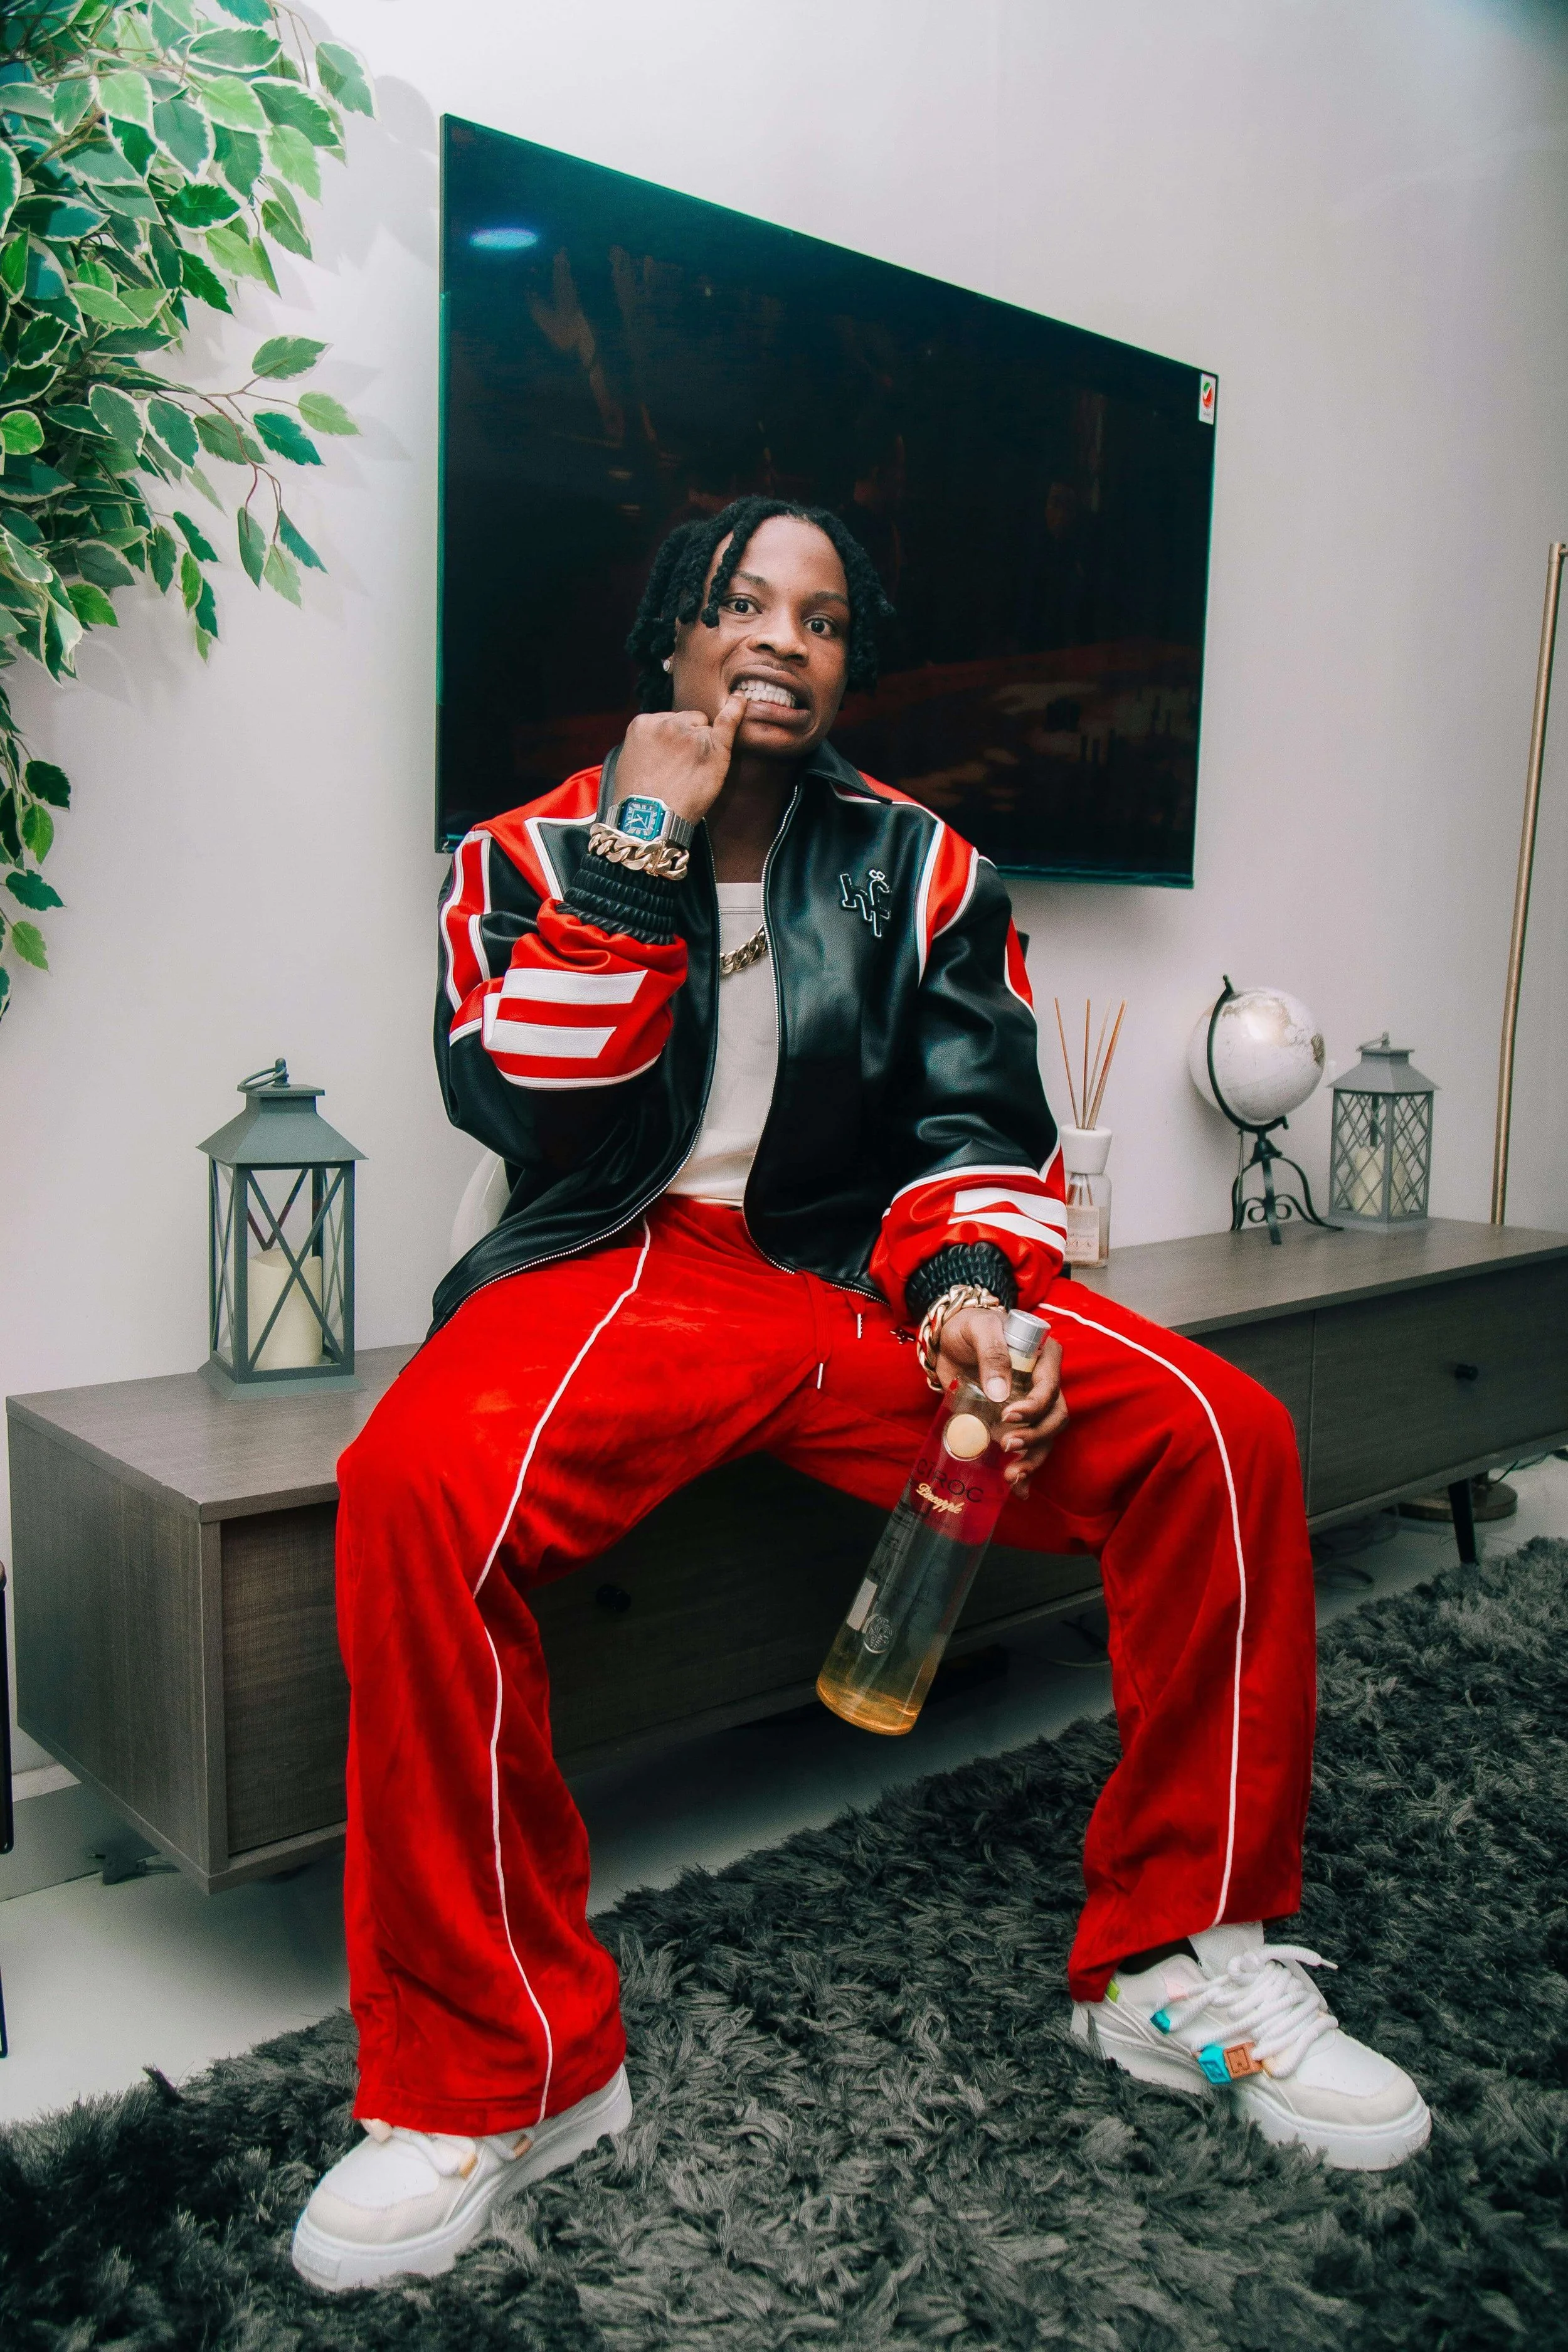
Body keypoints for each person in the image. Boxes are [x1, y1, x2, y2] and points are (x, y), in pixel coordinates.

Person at [292, 498, 1430, 2294]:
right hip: (619, 1259)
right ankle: (498, 2072)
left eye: (818, 620)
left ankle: (1178, 1964)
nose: (776, 639)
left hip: (859, 1273)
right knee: (415, 1489)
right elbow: (537, 1118)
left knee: (1221, 1430)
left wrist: (974, 1292)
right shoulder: (516, 852)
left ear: (844, 667)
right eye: (738, 603)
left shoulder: (925, 866)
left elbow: (977, 1125)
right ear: (671, 634)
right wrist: (643, 837)